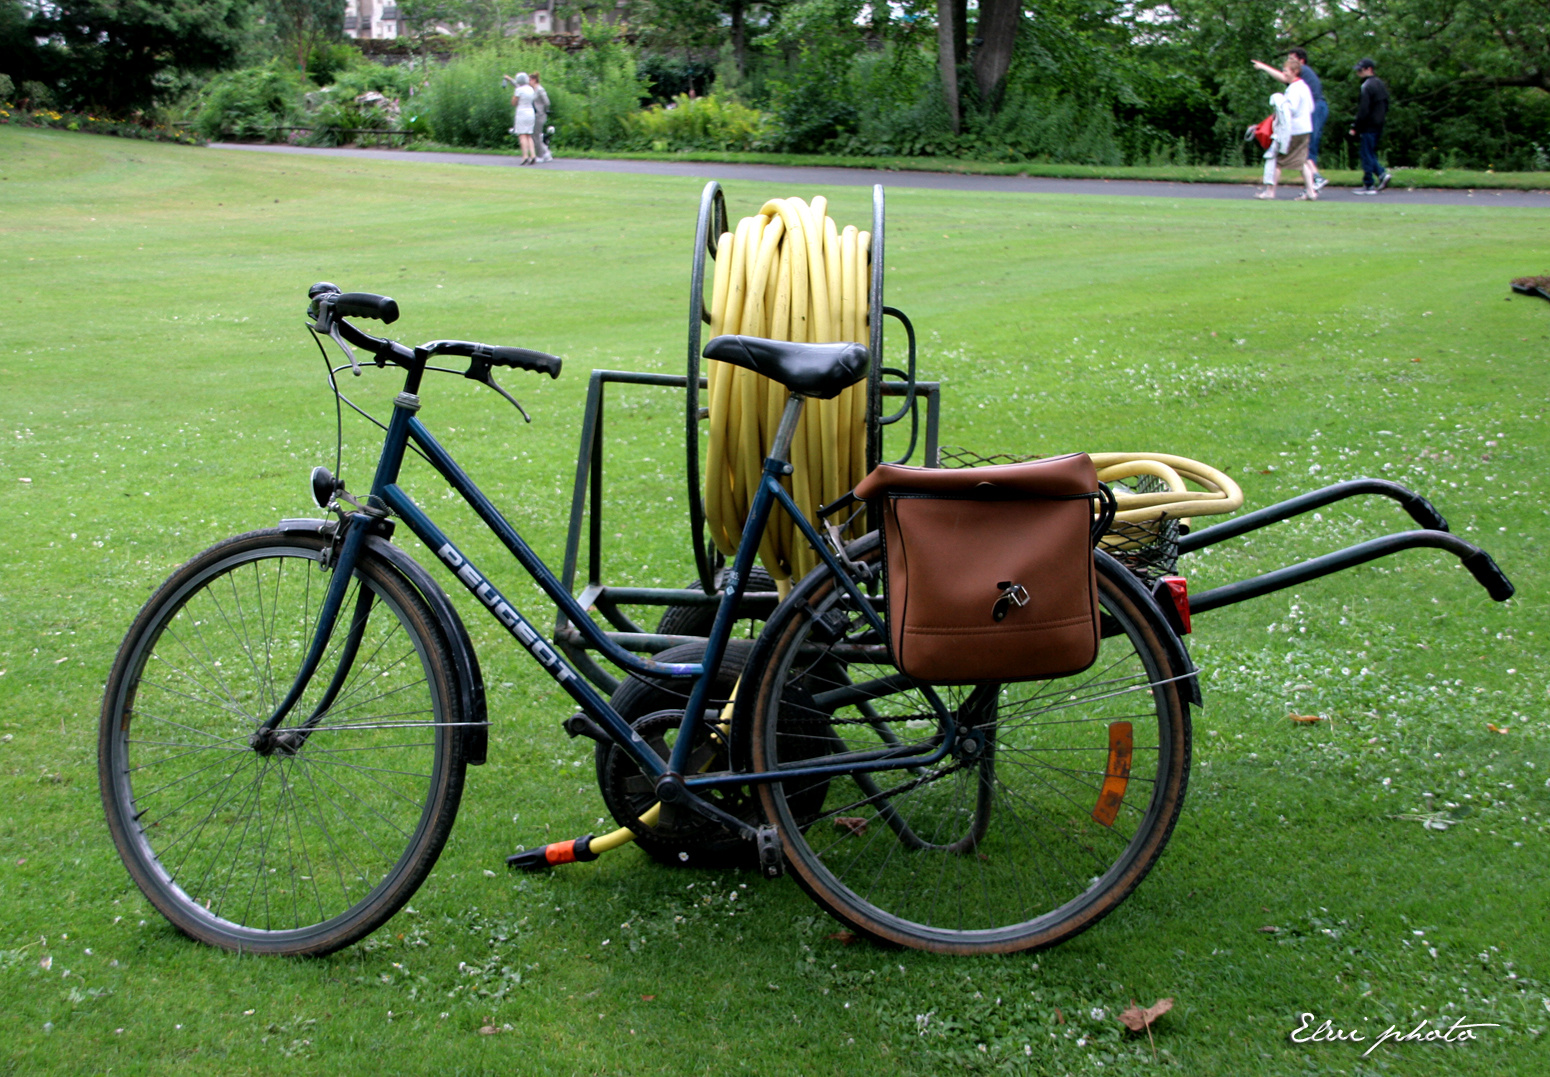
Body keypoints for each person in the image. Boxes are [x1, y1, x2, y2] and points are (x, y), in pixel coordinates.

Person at [1252, 50, 1328, 189]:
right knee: (1304, 151)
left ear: (1299, 64)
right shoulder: (1302, 84)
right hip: (1312, 109)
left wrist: (1263, 67)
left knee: (1298, 150)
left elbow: (1289, 105)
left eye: (1291, 59)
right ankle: (1313, 184)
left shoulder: (1298, 82)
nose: (1288, 63)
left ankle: (1315, 179)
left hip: (1312, 111)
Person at [1349, 58, 1391, 194]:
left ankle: (1369, 183)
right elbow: (1386, 105)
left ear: (1369, 69)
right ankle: (1381, 174)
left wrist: (1356, 126)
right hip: (1379, 123)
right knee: (1370, 152)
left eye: (1361, 70)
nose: (1358, 73)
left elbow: (1364, 109)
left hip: (1369, 124)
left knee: (1366, 154)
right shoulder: (1380, 84)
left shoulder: (1366, 86)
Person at [509, 72, 537, 165]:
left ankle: (525, 156)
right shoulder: (531, 89)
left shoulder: (519, 90)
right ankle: (533, 155)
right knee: (529, 135)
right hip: (531, 112)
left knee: (522, 135)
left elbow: (513, 102)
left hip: (522, 112)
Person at [530, 72, 552, 164]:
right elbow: (518, 85)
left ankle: (540, 155)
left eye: (529, 80)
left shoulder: (540, 89)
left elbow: (547, 102)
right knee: (535, 135)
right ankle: (546, 152)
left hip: (540, 115)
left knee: (536, 136)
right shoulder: (533, 89)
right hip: (534, 115)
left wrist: (544, 109)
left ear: (534, 80)